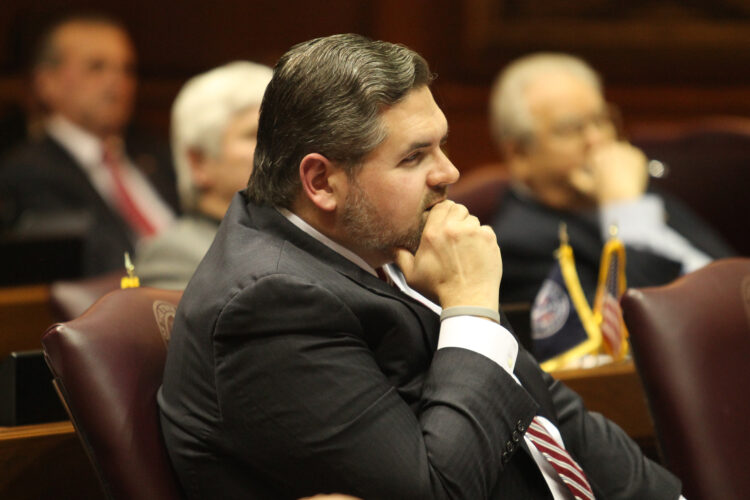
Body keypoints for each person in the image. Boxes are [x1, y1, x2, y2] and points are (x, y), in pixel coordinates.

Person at [158, 34, 682, 499]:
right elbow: (437, 490)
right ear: (320, 182)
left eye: (442, 145)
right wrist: (472, 308)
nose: (449, 172)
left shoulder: (369, 246)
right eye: (414, 157)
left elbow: (545, 410)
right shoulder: (270, 303)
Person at [489, 53, 734, 304]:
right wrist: (625, 210)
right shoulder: (520, 247)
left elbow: (732, 275)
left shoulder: (633, 189)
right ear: (519, 154)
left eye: (601, 120)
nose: (597, 140)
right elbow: (641, 327)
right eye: (571, 129)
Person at [0, 13, 178, 276]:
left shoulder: (155, 153)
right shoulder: (28, 171)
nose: (118, 81)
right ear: (46, 82)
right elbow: (102, 265)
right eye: (97, 67)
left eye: (127, 68)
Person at [135, 61, 272, 289]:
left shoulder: (292, 238)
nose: (280, 149)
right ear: (199, 162)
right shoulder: (173, 254)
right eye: (255, 135)